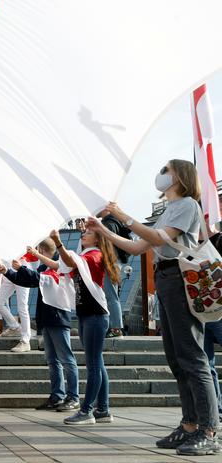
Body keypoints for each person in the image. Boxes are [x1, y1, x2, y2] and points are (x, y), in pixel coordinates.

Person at [87, 160, 220, 455]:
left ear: (179, 176)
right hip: (166, 279)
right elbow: (136, 247)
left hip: (180, 277)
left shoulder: (187, 204)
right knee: (176, 357)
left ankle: (209, 430)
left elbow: (161, 238)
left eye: (166, 170)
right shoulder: (170, 210)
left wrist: (122, 214)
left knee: (193, 356)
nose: (161, 175)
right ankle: (189, 425)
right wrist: (104, 229)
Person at [0, 239, 80, 412]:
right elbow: (30, 281)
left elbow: (37, 278)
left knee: (66, 358)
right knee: (52, 360)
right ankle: (57, 396)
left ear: (42, 250)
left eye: (38, 251)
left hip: (58, 318)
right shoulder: (45, 266)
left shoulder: (60, 264)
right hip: (47, 318)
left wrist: (21, 268)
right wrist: (8, 272)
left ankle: (73, 397)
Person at [50, 227, 117, 426]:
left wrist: (58, 242)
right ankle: (102, 410)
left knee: (94, 364)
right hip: (89, 315)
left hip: (95, 315)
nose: (83, 235)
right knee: (98, 363)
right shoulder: (86, 256)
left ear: (97, 239)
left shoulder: (94, 255)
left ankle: (87, 410)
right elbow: (61, 265)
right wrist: (37, 254)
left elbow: (70, 262)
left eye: (87, 233)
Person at [98, 209, 132, 338]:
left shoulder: (109, 223)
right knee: (112, 295)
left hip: (110, 261)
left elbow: (107, 244)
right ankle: (115, 327)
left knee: (111, 296)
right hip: (115, 261)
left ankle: (116, 328)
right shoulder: (115, 221)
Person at [0, 251, 37, 351]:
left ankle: (25, 341)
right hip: (8, 271)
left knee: (22, 307)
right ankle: (14, 327)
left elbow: (35, 258)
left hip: (22, 270)